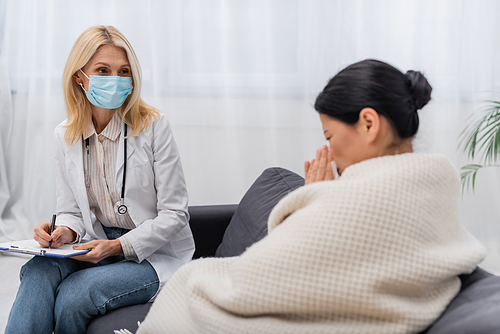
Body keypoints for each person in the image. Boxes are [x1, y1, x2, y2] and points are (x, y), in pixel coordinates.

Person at [135, 59, 486, 334]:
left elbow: (261, 277)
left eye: (330, 136)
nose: (329, 152)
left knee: (189, 281)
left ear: (368, 124)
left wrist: (315, 197)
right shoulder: (435, 182)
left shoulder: (361, 198)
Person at [5, 25, 194, 334]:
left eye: (123, 72)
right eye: (103, 70)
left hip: (152, 253)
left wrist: (117, 246)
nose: (115, 80)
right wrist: (63, 231)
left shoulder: (154, 127)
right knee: (38, 271)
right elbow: (72, 210)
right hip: (94, 241)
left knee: (75, 295)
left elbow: (175, 214)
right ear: (80, 76)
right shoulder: (65, 135)